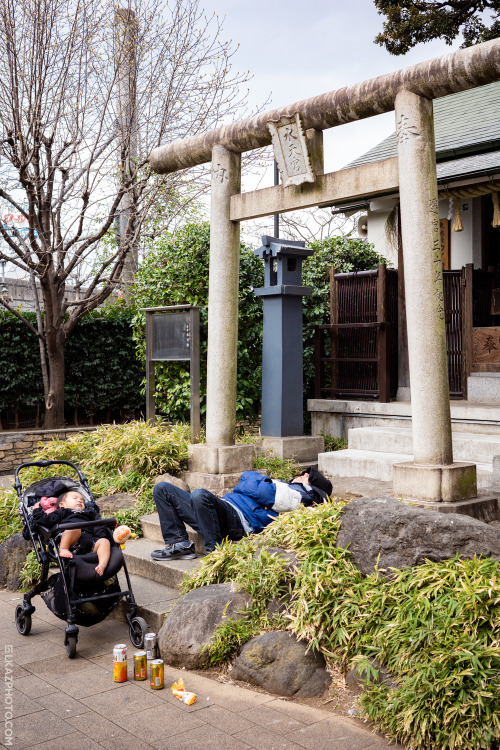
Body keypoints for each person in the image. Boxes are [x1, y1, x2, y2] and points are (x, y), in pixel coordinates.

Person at [150, 467, 333, 561]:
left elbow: (256, 488)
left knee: (200, 495)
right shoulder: (284, 487)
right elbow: (252, 482)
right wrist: (256, 482)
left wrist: (254, 481)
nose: (300, 475)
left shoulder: (299, 495)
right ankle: (178, 543)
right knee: (163, 489)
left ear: (310, 486)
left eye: (305, 476)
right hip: (224, 508)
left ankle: (215, 553)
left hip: (238, 519)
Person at [32, 490, 111, 576]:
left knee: (104, 541)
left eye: (82, 500)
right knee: (74, 528)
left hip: (89, 542)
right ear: (62, 505)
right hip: (69, 541)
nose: (80, 500)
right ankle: (63, 549)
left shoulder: (90, 513)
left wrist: (100, 536)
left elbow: (99, 523)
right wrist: (36, 510)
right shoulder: (62, 512)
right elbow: (46, 521)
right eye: (75, 498)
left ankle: (102, 564)